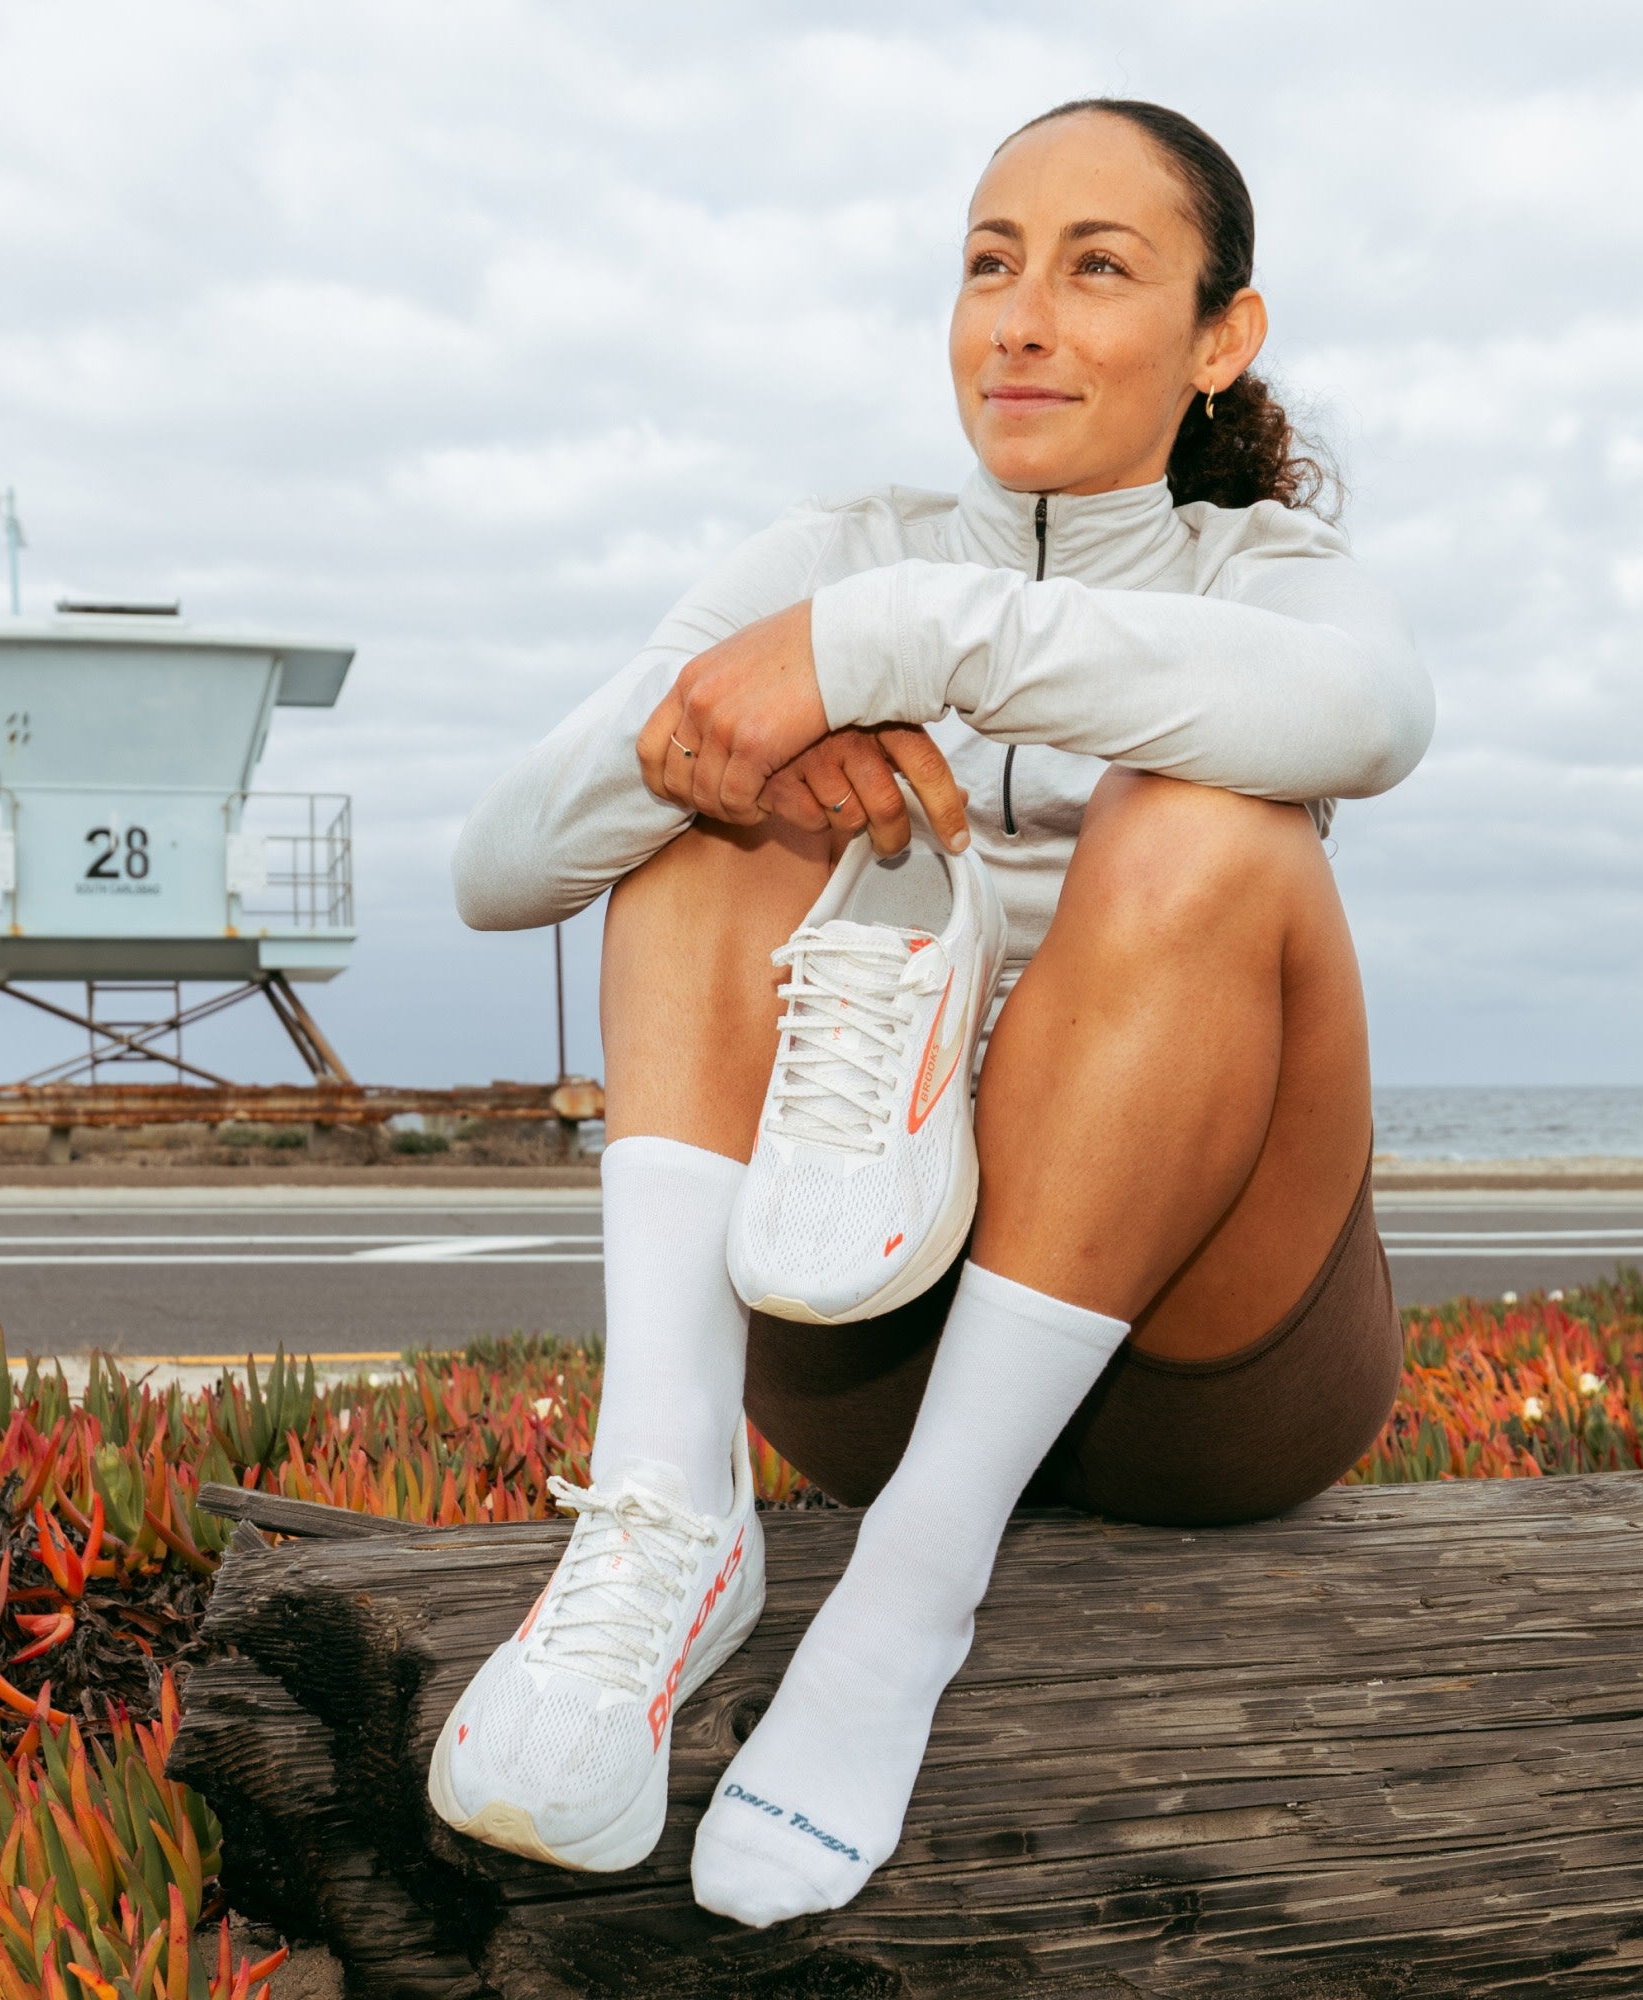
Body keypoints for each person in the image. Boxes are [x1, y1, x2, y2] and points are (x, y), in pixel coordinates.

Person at [429, 98, 1434, 1930]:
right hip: (863, 1347)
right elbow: (497, 866)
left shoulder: (1260, 577)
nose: (1023, 316)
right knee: (711, 787)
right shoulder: (828, 543)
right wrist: (720, 742)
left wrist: (902, 638)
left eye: (1098, 267)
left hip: (1211, 1372)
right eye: (989, 263)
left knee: (1207, 815)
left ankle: (908, 1600)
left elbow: (1375, 714)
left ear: (1225, 339)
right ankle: (669, 1524)